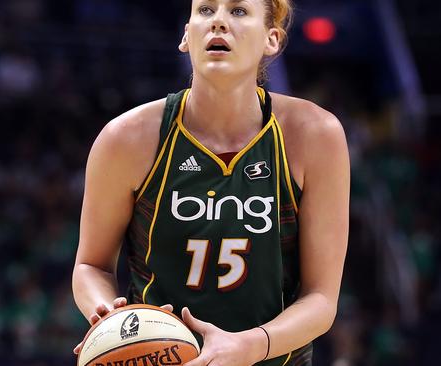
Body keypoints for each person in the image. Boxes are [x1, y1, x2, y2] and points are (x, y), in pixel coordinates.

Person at [72, 0, 349, 365]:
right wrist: (108, 317)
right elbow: (91, 266)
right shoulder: (125, 139)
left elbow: (321, 300)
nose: (218, 21)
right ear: (186, 36)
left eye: (237, 11)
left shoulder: (315, 135)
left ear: (272, 39)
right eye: (204, 10)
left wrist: (250, 345)